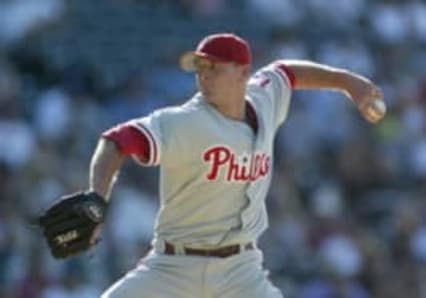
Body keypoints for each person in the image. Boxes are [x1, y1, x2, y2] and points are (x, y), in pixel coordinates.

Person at [90, 33, 385, 297]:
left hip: (240, 270)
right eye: (201, 69)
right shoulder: (184, 122)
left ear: (244, 73)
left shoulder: (263, 97)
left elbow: (287, 72)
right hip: (173, 267)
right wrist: (96, 202)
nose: (204, 77)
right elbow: (115, 142)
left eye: (214, 69)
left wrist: (347, 82)